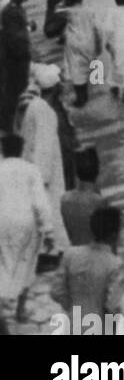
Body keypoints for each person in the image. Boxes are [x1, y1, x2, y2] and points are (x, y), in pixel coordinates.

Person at [0, 132, 54, 330]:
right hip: (26, 222)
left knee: (4, 264)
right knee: (26, 264)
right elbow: (40, 202)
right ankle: (20, 309)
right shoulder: (31, 170)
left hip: (2, 221)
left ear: (3, 150)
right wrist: (48, 231)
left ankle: (1, 312)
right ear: (21, 150)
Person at [53, 205, 124, 328]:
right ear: (114, 235)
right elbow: (114, 306)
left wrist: (71, 309)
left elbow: (57, 291)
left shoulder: (70, 254)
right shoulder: (115, 264)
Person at [15, 64, 69, 246]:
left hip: (36, 170)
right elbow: (43, 148)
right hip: (46, 175)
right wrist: (42, 177)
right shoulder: (44, 111)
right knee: (52, 211)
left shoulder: (36, 107)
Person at [0, 0, 32, 133]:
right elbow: (15, 40)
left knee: (16, 95)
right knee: (14, 95)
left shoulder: (16, 9)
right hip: (16, 63)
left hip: (19, 62)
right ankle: (10, 130)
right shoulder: (10, 12)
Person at [60, 0, 101, 109]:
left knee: (76, 70)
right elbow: (95, 28)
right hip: (89, 42)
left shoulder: (68, 12)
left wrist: (63, 3)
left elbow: (56, 11)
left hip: (74, 44)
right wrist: (98, 43)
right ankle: (93, 82)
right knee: (90, 63)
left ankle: (81, 96)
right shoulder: (89, 11)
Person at [60, 147, 106, 247]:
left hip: (75, 251)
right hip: (95, 253)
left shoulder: (64, 199)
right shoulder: (99, 201)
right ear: (97, 170)